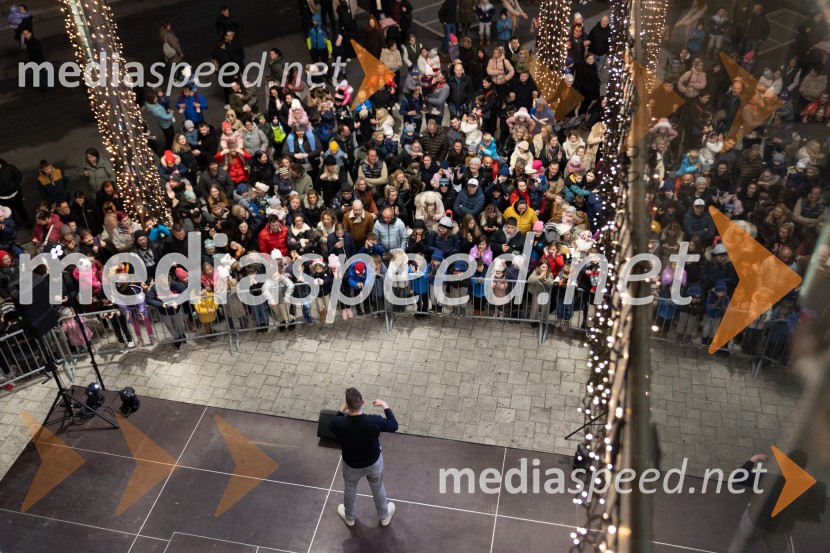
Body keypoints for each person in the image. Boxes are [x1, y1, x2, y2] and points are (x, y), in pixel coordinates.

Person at [329, 387, 398, 527]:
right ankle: (384, 517)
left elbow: (331, 425)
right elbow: (394, 425)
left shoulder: (339, 423)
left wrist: (342, 409)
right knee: (377, 487)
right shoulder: (374, 421)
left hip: (351, 465)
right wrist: (385, 405)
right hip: (373, 463)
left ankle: (350, 517)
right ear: (363, 402)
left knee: (350, 488)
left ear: (348, 406)